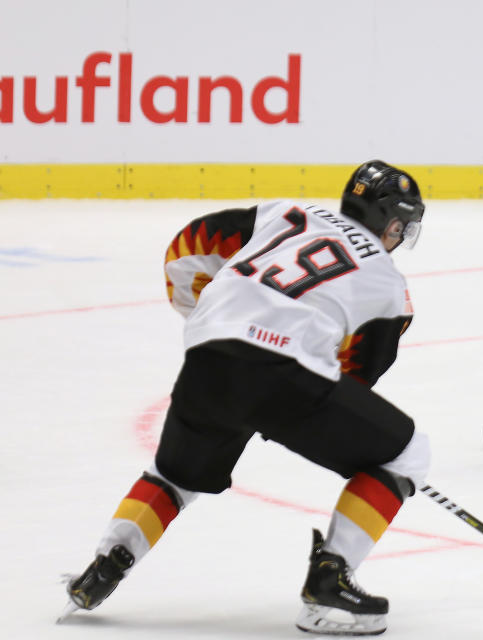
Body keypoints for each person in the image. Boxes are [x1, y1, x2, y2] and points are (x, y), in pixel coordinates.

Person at [61, 160, 431, 636]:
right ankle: (328, 585)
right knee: (408, 452)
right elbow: (356, 379)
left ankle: (106, 564)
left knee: (177, 474)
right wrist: (285, 412)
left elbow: (187, 248)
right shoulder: (391, 285)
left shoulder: (289, 212)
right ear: (394, 223)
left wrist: (211, 319)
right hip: (287, 378)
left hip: (208, 360)